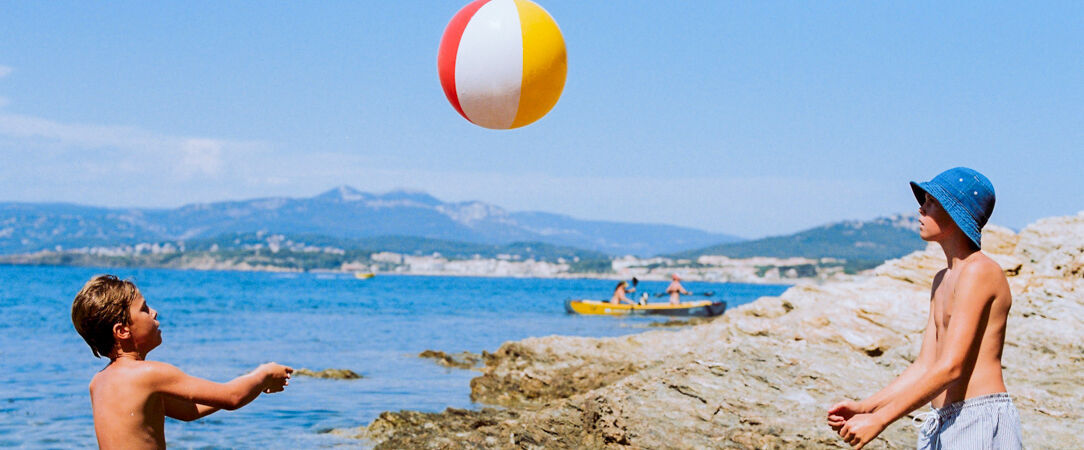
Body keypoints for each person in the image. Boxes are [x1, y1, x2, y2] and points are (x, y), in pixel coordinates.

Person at [826, 167, 1022, 449]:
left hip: (979, 417)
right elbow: (925, 366)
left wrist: (881, 420)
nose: (921, 208)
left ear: (956, 214)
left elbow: (952, 368)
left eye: (932, 202)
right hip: (942, 420)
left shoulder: (980, 271)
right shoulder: (942, 279)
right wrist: (867, 407)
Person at [71, 275, 293, 449]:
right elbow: (232, 397)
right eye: (144, 309)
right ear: (122, 331)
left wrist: (255, 385)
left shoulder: (99, 382)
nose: (154, 312)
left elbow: (189, 411)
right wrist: (264, 373)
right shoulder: (149, 375)